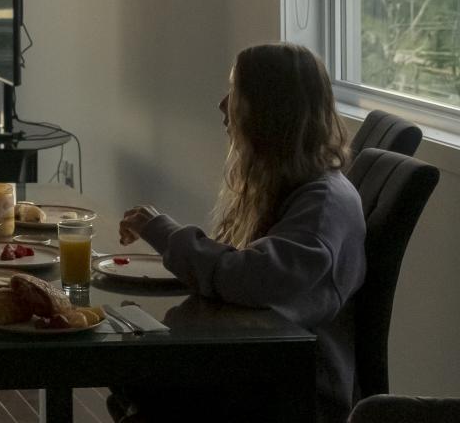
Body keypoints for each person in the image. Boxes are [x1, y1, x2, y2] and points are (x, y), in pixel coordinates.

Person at [111, 42, 366, 423]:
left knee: (132, 369)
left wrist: (164, 232)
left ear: (270, 110)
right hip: (257, 369)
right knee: (131, 364)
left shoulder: (324, 205)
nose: (222, 104)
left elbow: (253, 277)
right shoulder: (298, 186)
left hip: (288, 391)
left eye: (236, 91)